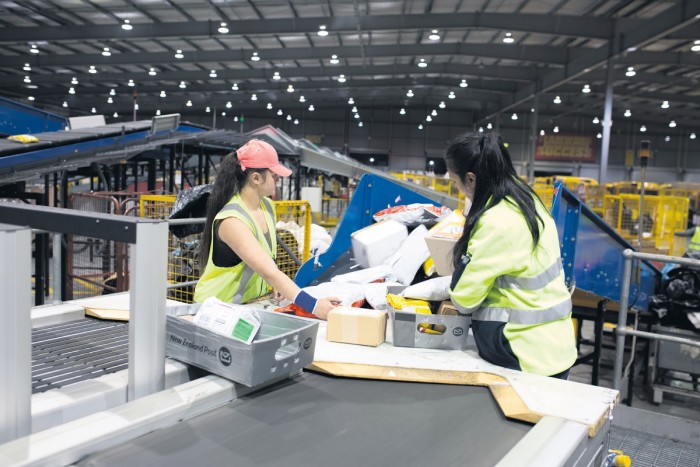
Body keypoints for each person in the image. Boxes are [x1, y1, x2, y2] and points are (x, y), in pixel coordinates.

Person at [445, 132, 577, 379]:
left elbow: (463, 300)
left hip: (522, 351)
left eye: (455, 181)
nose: (457, 188)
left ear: (471, 179)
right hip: (557, 348)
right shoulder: (528, 200)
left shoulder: (496, 221)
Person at [194, 139, 338, 319]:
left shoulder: (268, 206)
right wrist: (315, 306)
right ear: (255, 178)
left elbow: (266, 258)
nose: (277, 180)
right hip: (216, 308)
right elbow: (268, 271)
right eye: (274, 176)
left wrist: (278, 285)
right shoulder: (232, 221)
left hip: (249, 305)